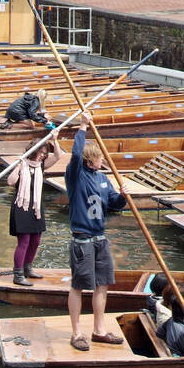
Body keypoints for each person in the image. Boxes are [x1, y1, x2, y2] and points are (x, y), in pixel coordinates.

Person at [65, 112, 128, 351]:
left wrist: (123, 195)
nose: (103, 160)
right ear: (91, 160)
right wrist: (82, 126)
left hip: (100, 238)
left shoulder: (103, 178)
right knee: (78, 285)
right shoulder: (76, 176)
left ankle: (99, 330)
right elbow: (74, 154)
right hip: (82, 239)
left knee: (103, 284)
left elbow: (115, 204)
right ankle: (76, 332)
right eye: (99, 157)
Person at [7, 132, 61, 285]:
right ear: (34, 150)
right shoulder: (21, 164)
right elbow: (10, 182)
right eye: (41, 152)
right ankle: (18, 275)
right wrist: (18, 166)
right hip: (21, 207)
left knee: (36, 240)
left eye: (45, 153)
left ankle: (27, 267)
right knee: (24, 241)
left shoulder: (41, 166)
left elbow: (58, 156)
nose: (43, 156)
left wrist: (55, 140)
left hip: (36, 206)